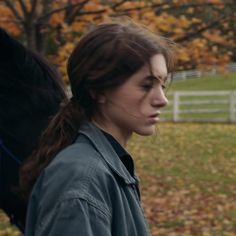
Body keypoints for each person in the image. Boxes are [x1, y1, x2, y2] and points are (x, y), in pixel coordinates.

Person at [20, 21, 176, 236]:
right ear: (98, 90)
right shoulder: (81, 180)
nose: (162, 99)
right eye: (146, 85)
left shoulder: (103, 166)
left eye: (162, 84)